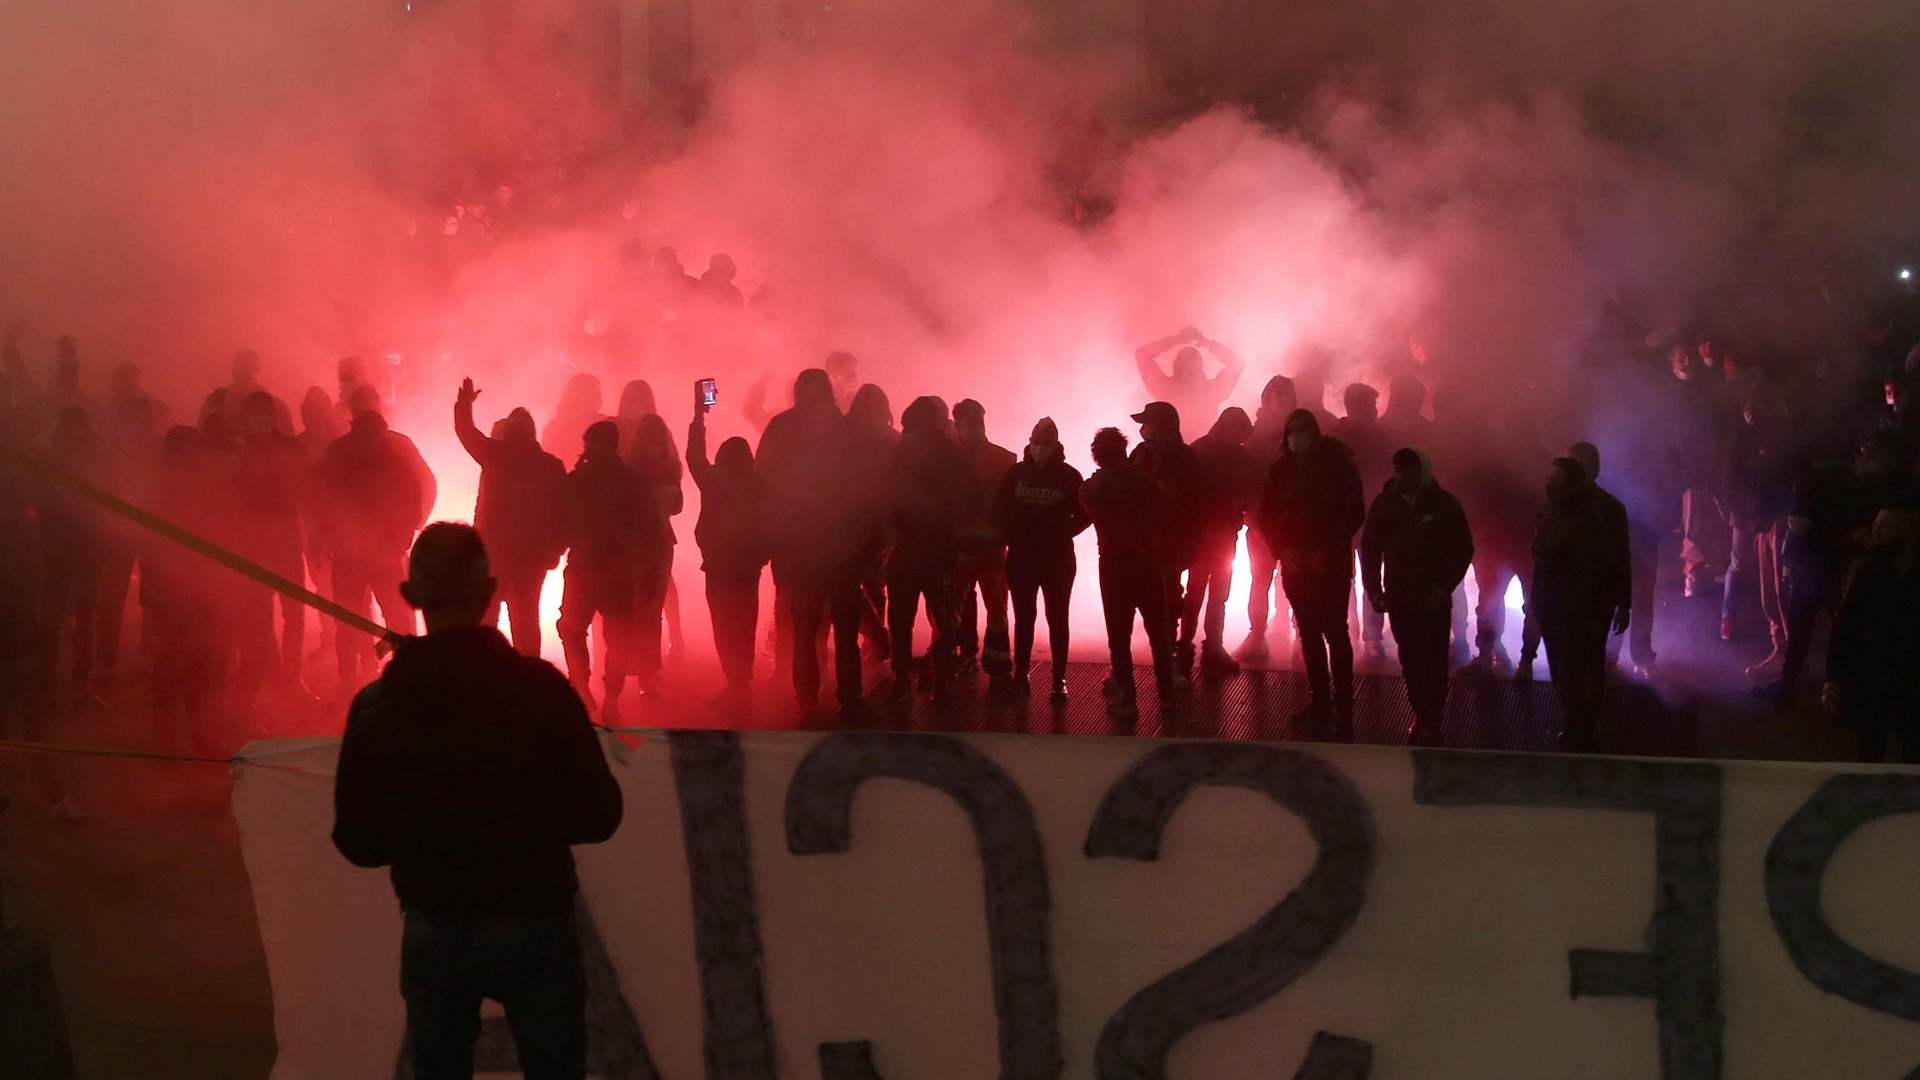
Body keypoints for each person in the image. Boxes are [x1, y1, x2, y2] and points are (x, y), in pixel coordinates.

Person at [331, 523, 624, 1080]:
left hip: (436, 923)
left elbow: (358, 841)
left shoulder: (378, 705)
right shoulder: (543, 690)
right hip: (537, 919)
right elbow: (600, 815)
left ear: (410, 595)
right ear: (489, 592)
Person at [757, 367, 871, 714]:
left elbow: (762, 479)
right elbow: (862, 485)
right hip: (838, 543)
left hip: (802, 542)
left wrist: (775, 532)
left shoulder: (782, 427)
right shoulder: (846, 428)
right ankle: (848, 699)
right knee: (841, 628)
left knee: (805, 628)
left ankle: (808, 698)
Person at [315, 390, 437, 691]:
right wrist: (405, 534)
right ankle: (398, 674)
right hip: (377, 551)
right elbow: (415, 492)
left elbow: (319, 497)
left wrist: (325, 537)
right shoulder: (391, 449)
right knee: (392, 617)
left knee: (354, 618)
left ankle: (356, 678)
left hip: (361, 552)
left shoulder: (345, 450)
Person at [1258, 409, 1366, 738]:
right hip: (1298, 565)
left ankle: (1342, 704)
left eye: (1301, 431)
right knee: (1310, 633)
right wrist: (1282, 550)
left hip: (1329, 564)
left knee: (1334, 632)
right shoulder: (1281, 470)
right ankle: (1322, 702)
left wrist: (1327, 551)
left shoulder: (1339, 466)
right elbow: (1267, 515)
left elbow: (1353, 513)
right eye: (1291, 432)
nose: (1295, 438)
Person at [1362, 448, 1474, 746]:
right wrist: (1374, 589)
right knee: (1411, 658)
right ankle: (1423, 715)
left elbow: (1462, 548)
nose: (1401, 476)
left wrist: (1444, 587)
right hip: (1402, 596)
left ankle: (1430, 719)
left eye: (1407, 470)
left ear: (1421, 471)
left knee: (1434, 660)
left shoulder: (1443, 504)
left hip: (1431, 598)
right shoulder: (1387, 504)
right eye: (1398, 470)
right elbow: (1370, 548)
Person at [454, 379, 568, 657]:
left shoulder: (496, 456)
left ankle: (489, 673)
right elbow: (563, 515)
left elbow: (466, 432)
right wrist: (552, 553)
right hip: (526, 557)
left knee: (493, 621)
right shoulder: (549, 466)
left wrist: (464, 405)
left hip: (501, 554)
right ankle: (526, 676)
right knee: (523, 623)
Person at [557, 420, 660, 726]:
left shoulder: (580, 480)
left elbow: (561, 521)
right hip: (617, 572)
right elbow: (652, 532)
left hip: (587, 570)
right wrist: (651, 574)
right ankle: (608, 698)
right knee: (615, 638)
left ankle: (584, 689)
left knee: (573, 629)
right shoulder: (633, 481)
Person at [1531, 457, 1632, 753]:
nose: (1550, 485)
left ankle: (1580, 728)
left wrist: (1622, 603)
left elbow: (1617, 559)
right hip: (1552, 606)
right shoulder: (1551, 510)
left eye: (1557, 481)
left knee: (1575, 669)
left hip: (1582, 608)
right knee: (1562, 669)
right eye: (1550, 479)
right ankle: (1578, 724)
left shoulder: (1599, 515)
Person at [1080, 427, 1180, 718]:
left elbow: (1089, 511)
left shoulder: (1091, 488)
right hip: (1148, 560)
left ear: (1096, 455)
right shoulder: (1145, 482)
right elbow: (1166, 510)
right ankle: (1167, 695)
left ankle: (1127, 698)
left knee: (1119, 634)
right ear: (1124, 451)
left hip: (1113, 564)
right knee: (1158, 632)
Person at [885, 396, 978, 703]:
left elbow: (884, 497)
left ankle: (902, 679)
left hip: (907, 548)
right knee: (944, 617)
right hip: (940, 551)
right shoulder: (953, 457)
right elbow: (969, 500)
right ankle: (941, 678)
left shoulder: (900, 456)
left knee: (901, 617)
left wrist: (898, 525)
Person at [231, 390, 313, 711]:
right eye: (256, 412)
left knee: (295, 615)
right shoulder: (238, 451)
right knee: (259, 618)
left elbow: (309, 492)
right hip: (252, 547)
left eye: (266, 411)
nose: (262, 417)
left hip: (287, 544)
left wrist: (314, 536)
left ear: (275, 414)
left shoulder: (291, 449)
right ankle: (269, 673)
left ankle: (292, 677)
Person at [996, 417, 1088, 699]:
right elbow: (1000, 509)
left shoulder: (1069, 477)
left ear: (1056, 444)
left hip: (1056, 559)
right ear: (1029, 441)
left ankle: (1059, 680)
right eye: (1037, 442)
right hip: (1022, 557)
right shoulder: (1016, 474)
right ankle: (1021, 675)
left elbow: (1085, 514)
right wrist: (1011, 537)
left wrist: (1063, 533)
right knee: (1024, 618)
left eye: (1044, 443)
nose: (1039, 447)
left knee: (1057, 618)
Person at [688, 393, 770, 709]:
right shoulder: (759, 485)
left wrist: (699, 417)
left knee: (724, 625)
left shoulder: (714, 481)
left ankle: (736, 685)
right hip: (748, 566)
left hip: (719, 564)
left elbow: (694, 456)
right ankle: (742, 682)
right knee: (745, 623)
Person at [1823, 509, 1920, 762]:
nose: (1876, 531)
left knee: (1912, 750)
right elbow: (1844, 623)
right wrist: (1833, 677)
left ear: (1909, 532)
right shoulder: (1866, 569)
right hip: (1873, 674)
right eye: (1875, 524)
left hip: (1911, 675)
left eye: (1885, 526)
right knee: (1870, 748)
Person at [36, 406, 108, 708]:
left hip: (74, 543)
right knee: (74, 613)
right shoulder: (59, 454)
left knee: (67, 613)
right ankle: (64, 682)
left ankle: (57, 682)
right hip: (70, 543)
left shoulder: (52, 452)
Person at [1183, 407, 1257, 672]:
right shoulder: (1236, 455)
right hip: (1219, 534)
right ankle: (1211, 647)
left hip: (1207, 534)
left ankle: (1186, 647)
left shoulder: (1198, 450)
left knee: (1198, 591)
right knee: (1215, 594)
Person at [95, 394, 163, 682]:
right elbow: (102, 487)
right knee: (112, 595)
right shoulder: (113, 449)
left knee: (153, 596)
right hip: (121, 532)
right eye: (128, 418)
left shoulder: (158, 449)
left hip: (150, 532)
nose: (132, 423)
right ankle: (105, 658)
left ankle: (151, 656)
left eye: (137, 418)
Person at [1128, 401, 1200, 670]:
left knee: (1169, 601)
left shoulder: (1183, 459)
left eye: (1148, 423)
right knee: (1144, 598)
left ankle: (1168, 660)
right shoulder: (1142, 453)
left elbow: (1193, 502)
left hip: (1170, 543)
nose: (1143, 429)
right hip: (1145, 541)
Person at [951, 398, 1016, 688]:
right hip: (976, 542)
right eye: (970, 423)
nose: (975, 428)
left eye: (978, 422)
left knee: (984, 607)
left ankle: (960, 664)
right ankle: (988, 665)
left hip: (981, 543)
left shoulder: (948, 458)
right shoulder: (1003, 459)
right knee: (960, 607)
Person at [625, 414, 684, 691]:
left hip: (649, 543)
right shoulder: (668, 466)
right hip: (649, 542)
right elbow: (677, 506)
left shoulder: (630, 468)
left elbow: (676, 506)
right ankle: (646, 672)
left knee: (647, 608)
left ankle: (646, 671)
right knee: (647, 609)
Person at [1240, 376, 1295, 661]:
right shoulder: (1257, 437)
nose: (1284, 399)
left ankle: (1301, 634)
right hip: (1263, 521)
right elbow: (1246, 480)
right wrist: (1251, 516)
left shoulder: (1299, 432)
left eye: (1288, 394)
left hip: (1294, 520)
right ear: (1267, 398)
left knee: (1295, 579)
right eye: (1278, 394)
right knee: (1261, 579)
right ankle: (1257, 636)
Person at [1336, 383, 1392, 658]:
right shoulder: (1336, 440)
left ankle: (1370, 635)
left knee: (1369, 578)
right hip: (1348, 520)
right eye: (1370, 406)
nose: (1374, 411)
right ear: (1354, 407)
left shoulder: (1378, 437)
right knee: (1347, 578)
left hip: (1368, 519)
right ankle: (1355, 633)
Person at [1133, 327, 1245, 433]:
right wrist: (1205, 343)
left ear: (1175, 366)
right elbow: (1236, 363)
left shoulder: (1165, 390)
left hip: (1170, 446)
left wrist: (1176, 340)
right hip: (1204, 445)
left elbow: (1142, 355)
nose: (1188, 367)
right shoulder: (1212, 391)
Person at [219, 349, 295, 436]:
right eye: (240, 369)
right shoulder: (218, 404)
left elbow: (288, 441)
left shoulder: (277, 406)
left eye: (247, 369)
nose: (243, 373)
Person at [541, 374, 607, 462]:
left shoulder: (603, 424)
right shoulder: (555, 430)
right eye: (595, 393)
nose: (599, 398)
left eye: (598, 394)